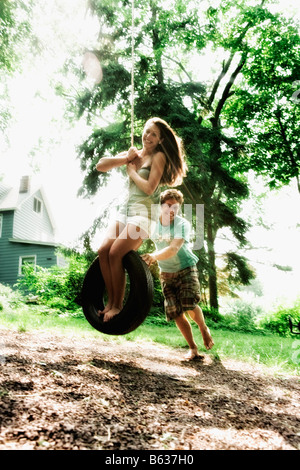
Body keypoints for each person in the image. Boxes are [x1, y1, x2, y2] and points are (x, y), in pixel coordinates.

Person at [95, 118, 187, 322]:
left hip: (144, 214)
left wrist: (131, 171)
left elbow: (149, 188)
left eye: (154, 134)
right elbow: (100, 166)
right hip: (125, 211)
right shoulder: (134, 154)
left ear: (161, 139)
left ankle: (118, 306)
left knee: (116, 253)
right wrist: (126, 159)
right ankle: (110, 302)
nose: (148, 136)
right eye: (146, 132)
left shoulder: (159, 156)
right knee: (103, 251)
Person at [142, 189, 214, 360]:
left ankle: (203, 328)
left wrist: (153, 256)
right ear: (160, 206)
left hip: (186, 268)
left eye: (176, 207)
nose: (172, 210)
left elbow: (174, 249)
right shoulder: (152, 224)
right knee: (175, 312)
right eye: (168, 206)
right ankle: (193, 349)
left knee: (188, 304)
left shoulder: (182, 224)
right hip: (166, 272)